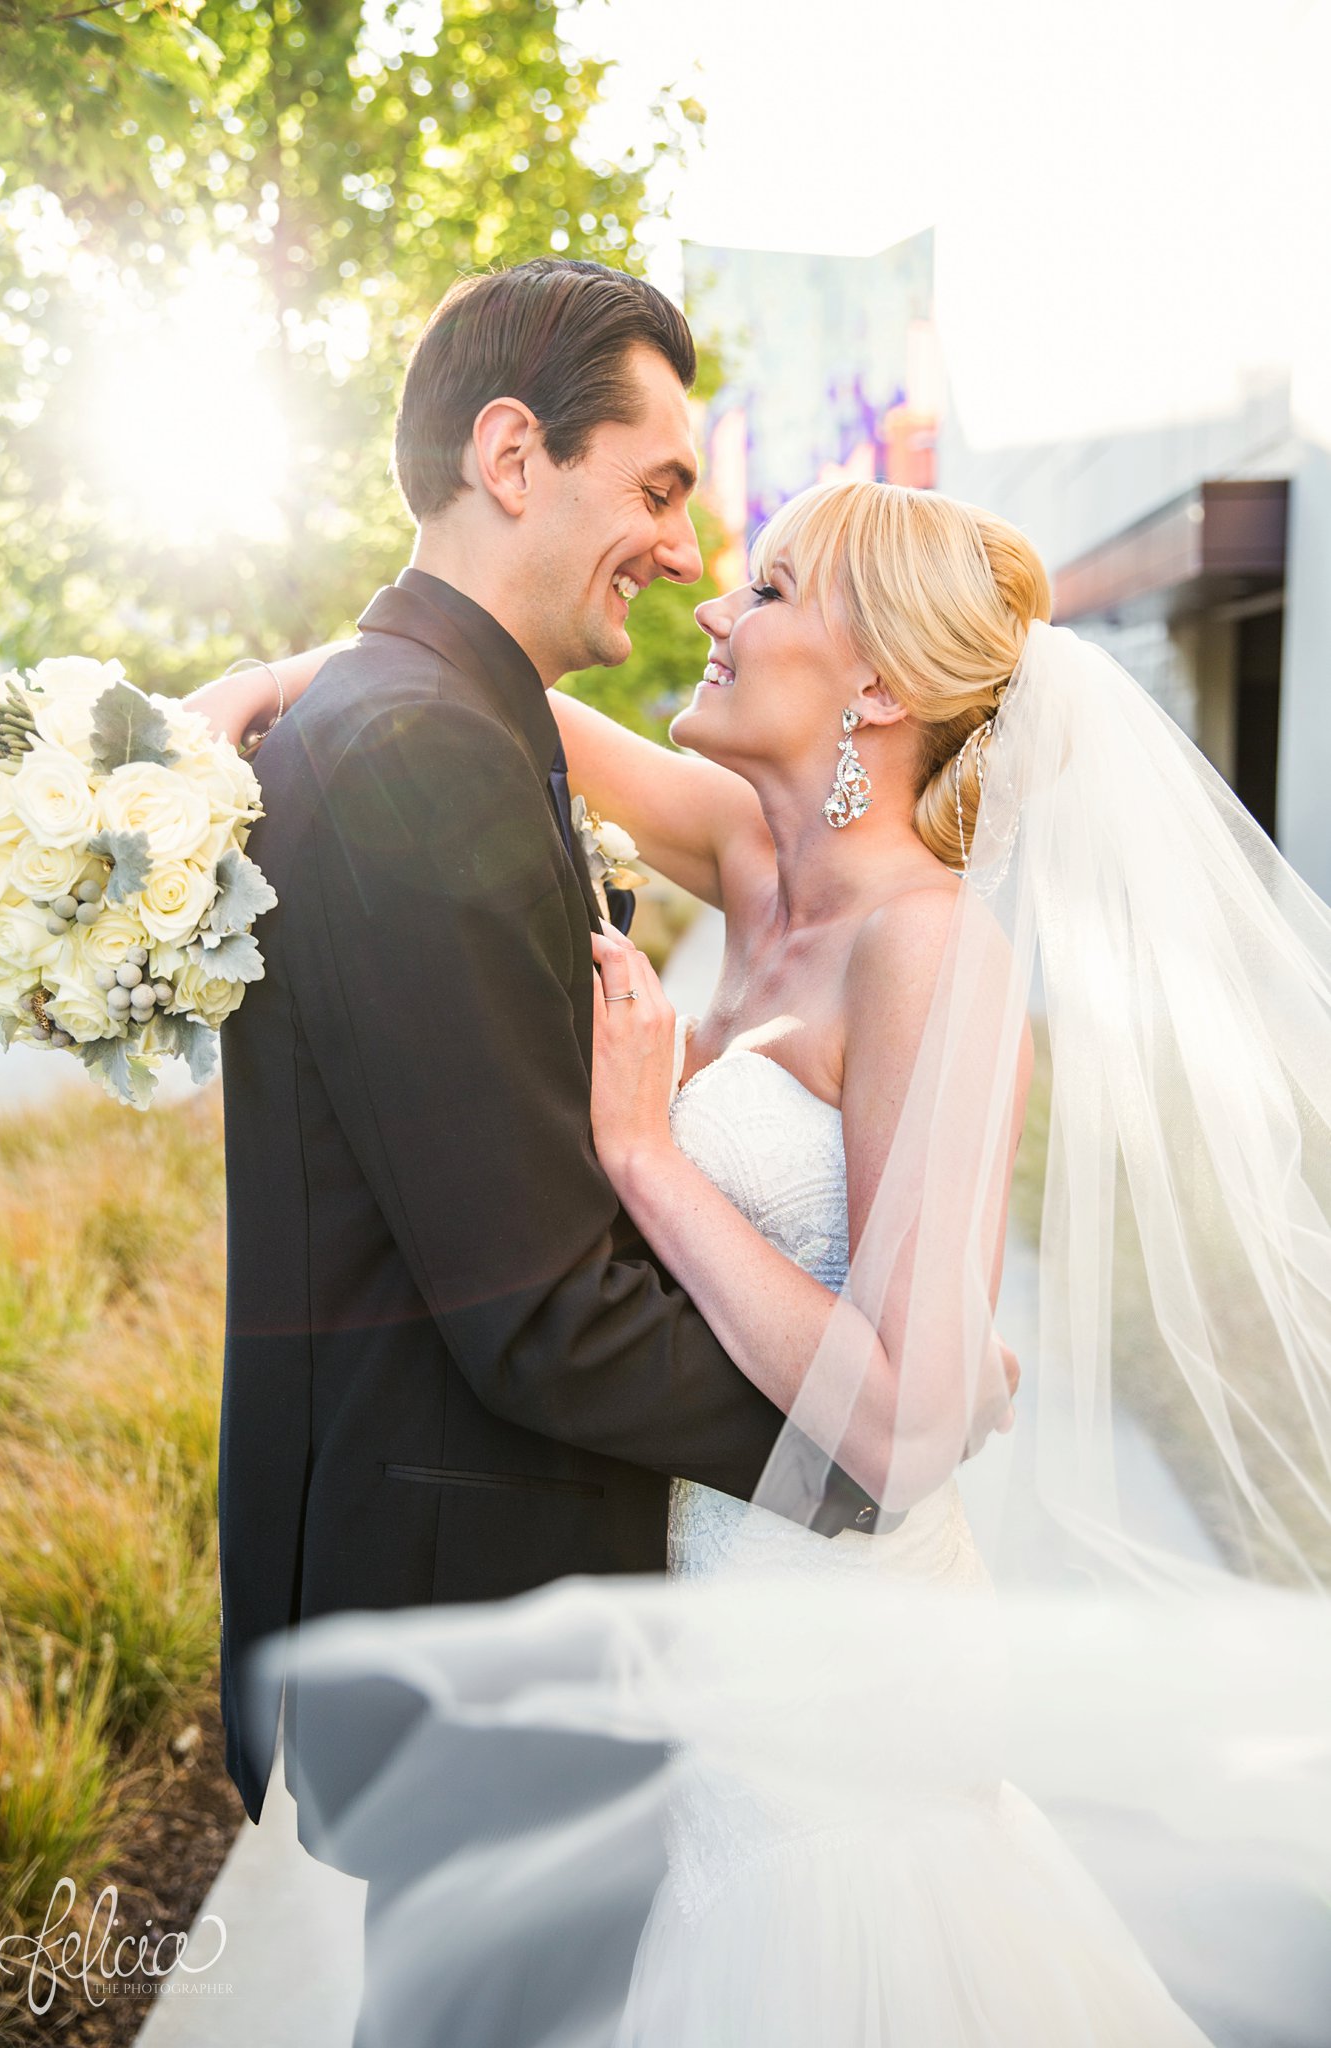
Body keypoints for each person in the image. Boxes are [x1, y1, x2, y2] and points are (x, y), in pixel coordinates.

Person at [204, 474, 1331, 2044]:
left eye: (775, 589)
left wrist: (647, 1159)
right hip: (680, 1613)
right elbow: (455, 692)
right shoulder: (746, 848)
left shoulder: (928, 950)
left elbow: (896, 1427)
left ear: (877, 683)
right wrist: (237, 698)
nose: (716, 609)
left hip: (822, 1678)